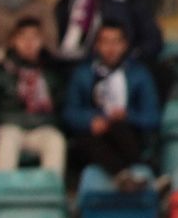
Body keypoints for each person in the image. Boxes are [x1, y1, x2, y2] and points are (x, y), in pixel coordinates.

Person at [64, 21, 160, 189]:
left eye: (116, 42)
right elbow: (69, 112)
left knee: (117, 128)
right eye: (105, 42)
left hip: (128, 135)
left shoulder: (139, 74)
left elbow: (152, 117)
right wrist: (90, 120)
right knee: (86, 141)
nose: (111, 48)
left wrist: (128, 116)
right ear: (97, 45)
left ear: (124, 45)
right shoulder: (83, 74)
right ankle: (127, 177)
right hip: (94, 137)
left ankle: (130, 175)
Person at [0, 17, 68, 174]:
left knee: (55, 140)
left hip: (41, 127)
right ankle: (3, 193)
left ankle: (50, 193)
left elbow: (59, 106)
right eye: (23, 37)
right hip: (9, 126)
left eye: (34, 37)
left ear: (42, 41)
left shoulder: (52, 72)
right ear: (13, 41)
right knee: (7, 140)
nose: (29, 43)